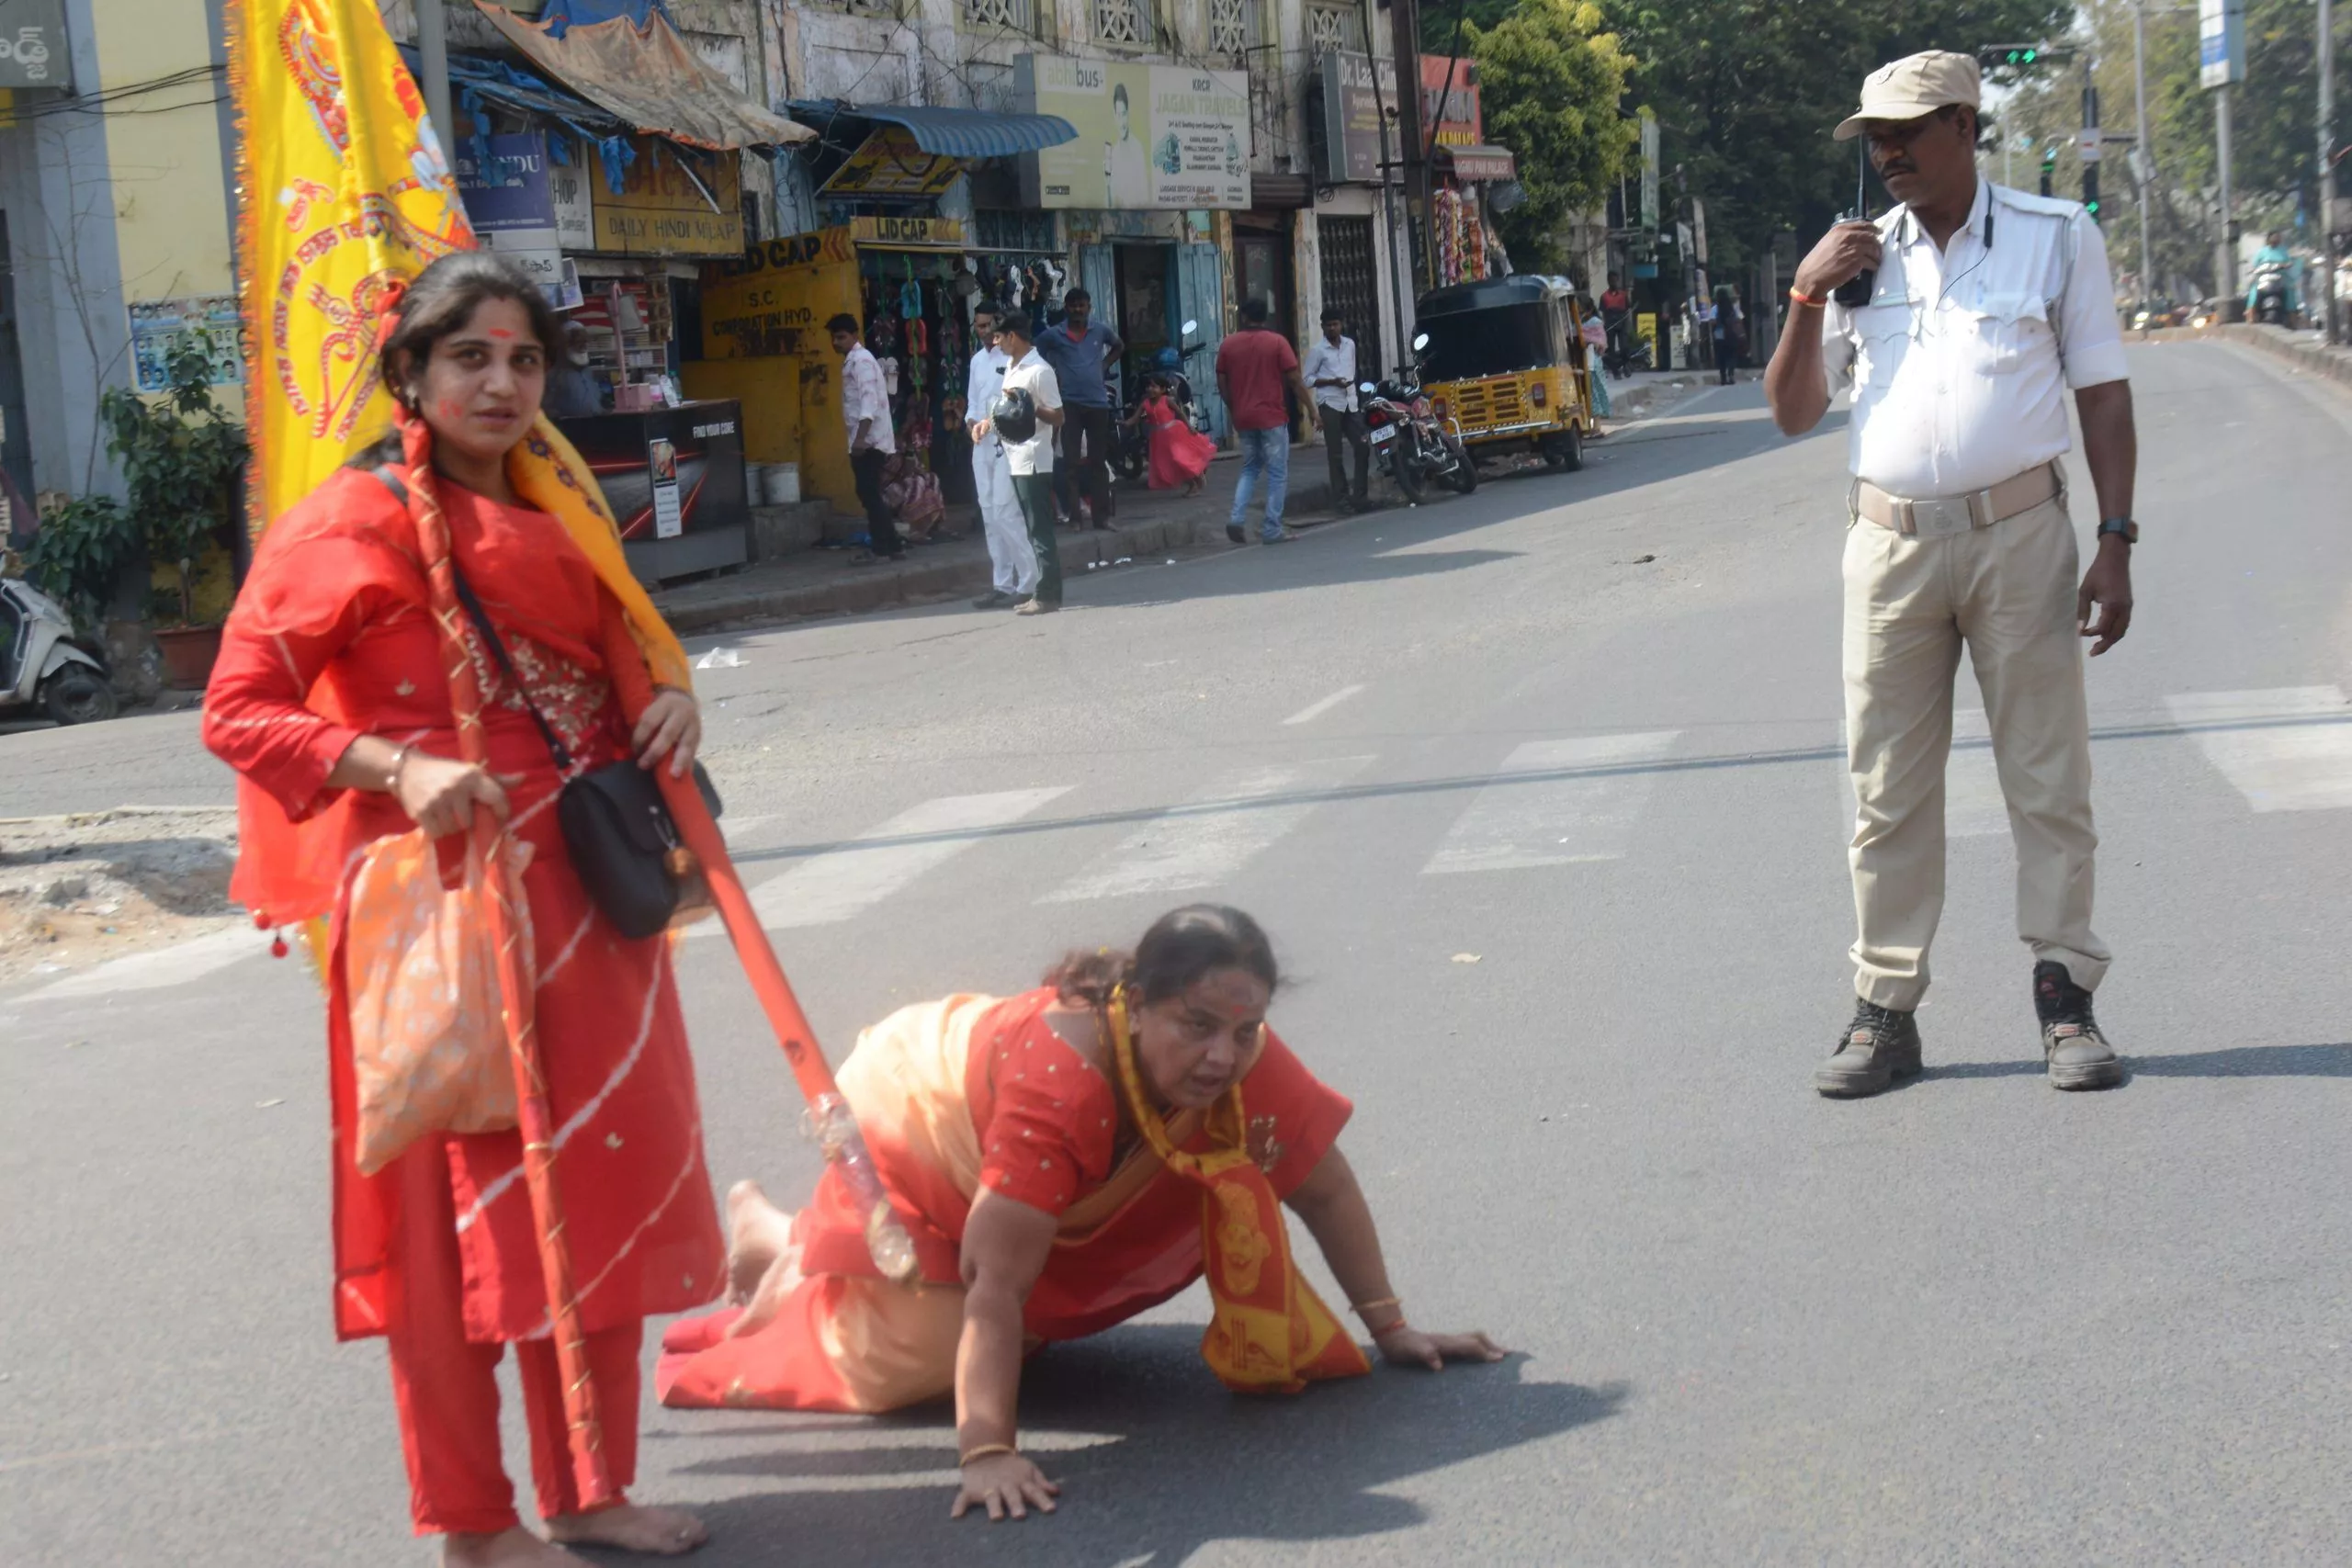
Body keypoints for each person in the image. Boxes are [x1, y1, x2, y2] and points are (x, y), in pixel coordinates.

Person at [201, 251, 723, 1566]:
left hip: (588, 902)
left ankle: (589, 1485)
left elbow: (620, 676)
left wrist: (671, 702)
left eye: (525, 359)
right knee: (447, 1233)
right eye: (470, 358)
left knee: (593, 1182)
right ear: (410, 379)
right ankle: (473, 1522)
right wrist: (397, 764)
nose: (502, 382)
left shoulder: (570, 511)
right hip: (435, 920)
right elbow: (238, 710)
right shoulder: (347, 524)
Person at [655, 905, 1507, 1522]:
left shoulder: (1236, 1047)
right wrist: (987, 1451)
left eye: (1244, 1031)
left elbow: (1319, 1181)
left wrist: (1391, 1329)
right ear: (1136, 1004)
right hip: (921, 1114)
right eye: (1197, 1025)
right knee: (913, 1359)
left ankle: (791, 1245)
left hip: (1021, 1180)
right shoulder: (1059, 1089)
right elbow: (995, 1286)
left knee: (1012, 1320)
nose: (1222, 1055)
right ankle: (782, 1240)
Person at [1763, 51, 2137, 1097]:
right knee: (1884, 791)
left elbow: (2102, 395)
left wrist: (2114, 537)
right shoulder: (1854, 259)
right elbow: (1792, 412)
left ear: (1965, 127)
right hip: (1886, 547)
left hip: (2021, 537)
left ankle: (2066, 999)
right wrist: (1804, 295)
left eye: (1907, 132)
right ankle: (1885, 1012)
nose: (1887, 153)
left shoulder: (2054, 238)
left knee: (2045, 779)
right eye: (1874, 137)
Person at [1216, 297, 1313, 545]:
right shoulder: (1277, 342)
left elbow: (1222, 383)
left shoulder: (1228, 344)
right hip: (1271, 417)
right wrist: (1312, 409)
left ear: (1244, 317)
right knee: (1277, 473)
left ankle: (1236, 518)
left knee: (1250, 467)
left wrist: (1234, 408)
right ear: (1264, 317)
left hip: (1244, 417)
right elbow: (1294, 380)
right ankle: (1271, 529)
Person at [964, 307, 1036, 610]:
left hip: (1009, 444)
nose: (982, 331)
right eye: (977, 325)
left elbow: (1017, 404)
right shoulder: (977, 361)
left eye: (986, 326)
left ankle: (1031, 582)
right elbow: (972, 404)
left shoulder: (1014, 360)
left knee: (1008, 514)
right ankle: (1002, 584)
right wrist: (971, 425)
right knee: (990, 516)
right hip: (981, 446)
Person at [994, 311, 1065, 616]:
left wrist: (1034, 407)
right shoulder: (1012, 368)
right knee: (1024, 524)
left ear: (1013, 336)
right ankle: (1041, 589)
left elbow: (1059, 416)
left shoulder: (1039, 370)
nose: (996, 342)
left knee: (1039, 529)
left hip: (1034, 457)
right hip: (1014, 457)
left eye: (999, 336)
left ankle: (1047, 595)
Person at [1034, 288, 1123, 529]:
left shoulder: (1099, 330)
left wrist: (1103, 365)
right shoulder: (1054, 335)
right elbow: (1036, 351)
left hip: (1098, 404)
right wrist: (1051, 374)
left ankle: (1101, 518)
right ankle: (1075, 518)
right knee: (1071, 464)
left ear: (1088, 307)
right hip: (1069, 404)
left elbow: (1118, 346)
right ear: (1066, 308)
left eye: (1081, 305)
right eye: (1073, 306)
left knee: (1098, 462)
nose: (1077, 310)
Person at [830, 312, 902, 562]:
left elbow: (868, 401)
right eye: (834, 338)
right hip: (865, 440)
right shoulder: (854, 361)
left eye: (841, 337)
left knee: (869, 493)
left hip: (869, 442)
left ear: (854, 336)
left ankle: (882, 548)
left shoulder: (861, 361)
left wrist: (860, 439)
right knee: (869, 493)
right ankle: (892, 545)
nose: (836, 342)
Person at [1301, 308, 1369, 513]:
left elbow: (1352, 369)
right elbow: (1307, 379)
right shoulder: (1318, 351)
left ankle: (1360, 497)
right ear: (1322, 327)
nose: (1332, 328)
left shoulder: (1350, 345)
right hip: (1330, 403)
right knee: (1335, 454)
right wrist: (1331, 381)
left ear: (1341, 324)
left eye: (1336, 324)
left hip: (1350, 402)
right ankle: (1341, 499)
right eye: (1328, 325)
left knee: (1363, 446)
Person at [1130, 372, 1214, 496]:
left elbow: (1180, 413)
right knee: (1170, 463)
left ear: (1162, 389)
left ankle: (1195, 479)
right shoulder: (1145, 404)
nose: (1150, 389)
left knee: (1179, 458)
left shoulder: (1167, 400)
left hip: (1174, 433)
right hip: (1158, 438)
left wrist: (1189, 426)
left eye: (1154, 386)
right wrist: (1123, 423)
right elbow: (1134, 419)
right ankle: (1193, 481)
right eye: (1149, 386)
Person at [540, 321, 603, 418]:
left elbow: (594, 402)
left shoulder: (588, 373)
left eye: (584, 341)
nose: (583, 345)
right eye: (578, 341)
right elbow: (544, 407)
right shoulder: (553, 375)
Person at [1106, 82, 1151, 208]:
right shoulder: (1113, 154)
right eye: (1119, 115)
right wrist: (1107, 185)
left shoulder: (1138, 150)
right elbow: (1110, 204)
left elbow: (1145, 198)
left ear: (1129, 113)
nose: (1122, 123)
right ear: (1115, 116)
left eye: (1124, 114)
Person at [1710, 285, 1743, 385]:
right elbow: (1739, 319)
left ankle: (1723, 377)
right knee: (1732, 355)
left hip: (1719, 334)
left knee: (1721, 356)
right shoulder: (1733, 308)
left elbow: (1712, 321)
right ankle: (1731, 373)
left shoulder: (1715, 308)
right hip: (1731, 334)